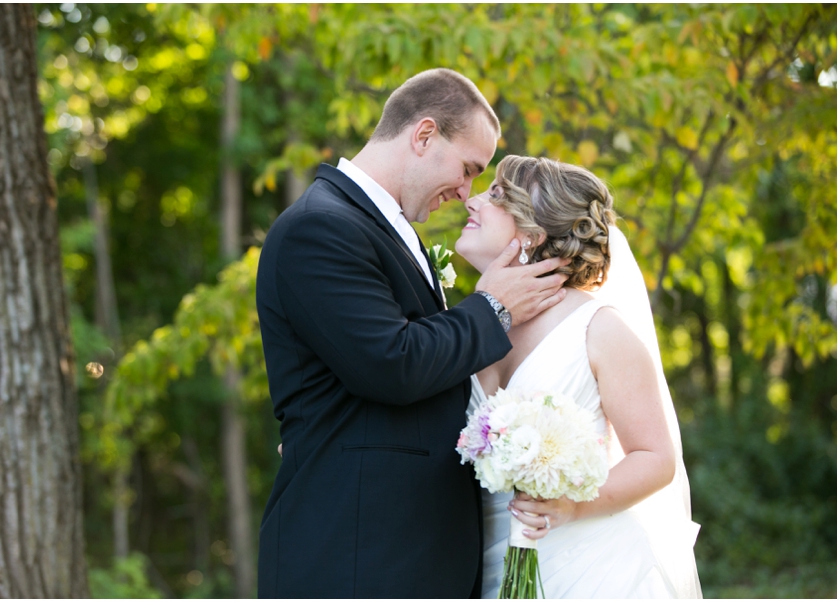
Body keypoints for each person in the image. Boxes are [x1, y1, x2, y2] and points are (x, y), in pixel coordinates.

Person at [255, 69, 570, 598]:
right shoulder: (320, 227)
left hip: (402, 557)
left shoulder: (385, 231)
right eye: (469, 169)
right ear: (424, 136)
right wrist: (493, 307)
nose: (466, 192)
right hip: (355, 559)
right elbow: (392, 363)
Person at [456, 155, 703, 598]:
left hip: (589, 569)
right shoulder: (466, 323)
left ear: (530, 236)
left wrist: (569, 507)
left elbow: (655, 457)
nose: (471, 201)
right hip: (484, 564)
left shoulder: (600, 329)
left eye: (494, 195)